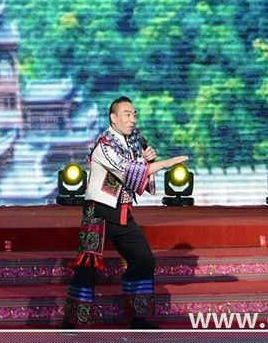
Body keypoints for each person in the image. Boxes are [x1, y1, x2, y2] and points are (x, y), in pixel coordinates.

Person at [62, 96, 188, 329]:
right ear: (114, 117)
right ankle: (71, 321)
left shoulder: (132, 144)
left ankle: (138, 317)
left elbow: (142, 178)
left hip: (121, 212)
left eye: (134, 115)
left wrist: (149, 160)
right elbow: (128, 171)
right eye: (127, 114)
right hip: (99, 212)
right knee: (88, 265)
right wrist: (166, 163)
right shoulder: (104, 145)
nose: (132, 119)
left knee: (144, 259)